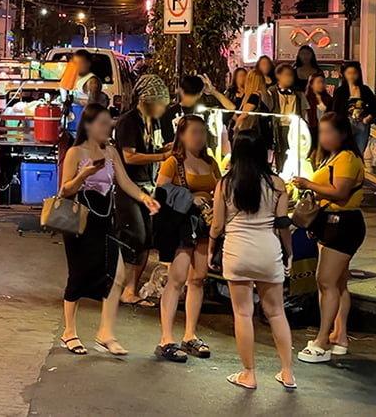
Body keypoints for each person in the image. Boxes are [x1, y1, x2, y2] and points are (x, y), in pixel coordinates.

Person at [58, 104, 161, 356]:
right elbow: (64, 191)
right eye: (103, 123)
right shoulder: (76, 152)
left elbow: (125, 182)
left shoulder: (112, 152)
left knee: (116, 275)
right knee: (79, 275)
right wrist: (84, 175)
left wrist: (144, 198)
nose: (108, 127)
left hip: (105, 221)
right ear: (89, 126)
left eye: (109, 122)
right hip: (79, 221)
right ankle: (69, 331)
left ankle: (106, 333)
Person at [209, 130, 295, 390]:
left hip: (237, 251)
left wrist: (212, 249)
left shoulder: (225, 183)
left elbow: (217, 225)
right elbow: (282, 223)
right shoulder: (277, 184)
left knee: (242, 314)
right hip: (268, 251)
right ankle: (288, 373)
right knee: (277, 313)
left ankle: (249, 373)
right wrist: (289, 253)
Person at [293, 113, 365, 364]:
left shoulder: (346, 158)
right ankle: (339, 335)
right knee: (338, 282)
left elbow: (340, 192)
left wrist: (308, 184)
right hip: (330, 223)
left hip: (343, 224)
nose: (323, 137)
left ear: (342, 133)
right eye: (321, 132)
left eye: (328, 132)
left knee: (325, 281)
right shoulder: (332, 157)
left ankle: (322, 341)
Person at [153, 114, 219, 363]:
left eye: (202, 132)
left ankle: (190, 333)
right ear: (182, 135)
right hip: (181, 224)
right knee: (177, 279)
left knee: (199, 279)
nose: (199, 137)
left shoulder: (210, 162)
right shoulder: (173, 162)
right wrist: (189, 197)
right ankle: (166, 338)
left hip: (204, 224)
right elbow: (161, 190)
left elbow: (219, 188)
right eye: (194, 132)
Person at [113, 74, 172, 307]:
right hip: (130, 188)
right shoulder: (129, 121)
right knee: (134, 238)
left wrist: (163, 148)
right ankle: (123, 288)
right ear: (147, 100)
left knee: (147, 239)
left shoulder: (153, 121)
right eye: (159, 103)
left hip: (149, 187)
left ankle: (131, 289)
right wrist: (162, 155)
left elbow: (150, 147)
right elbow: (130, 156)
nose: (162, 108)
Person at [267, 65, 309, 174]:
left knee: (294, 152)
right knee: (280, 152)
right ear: (278, 76)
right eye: (286, 75)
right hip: (279, 127)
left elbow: (304, 111)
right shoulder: (272, 91)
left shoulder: (298, 93)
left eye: (291, 75)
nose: (289, 78)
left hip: (294, 127)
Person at [331, 61, 376, 153]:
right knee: (345, 152)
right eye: (349, 73)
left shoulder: (365, 90)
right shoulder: (340, 91)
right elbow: (335, 109)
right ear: (344, 74)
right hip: (346, 124)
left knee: (359, 152)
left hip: (362, 124)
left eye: (354, 73)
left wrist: (368, 118)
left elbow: (374, 107)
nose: (352, 76)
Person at [304, 73, 333, 145]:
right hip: (312, 131)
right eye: (318, 82)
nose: (321, 84)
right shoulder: (306, 99)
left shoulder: (329, 100)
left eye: (322, 82)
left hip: (326, 131)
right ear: (311, 85)